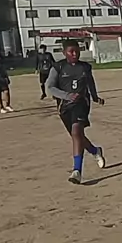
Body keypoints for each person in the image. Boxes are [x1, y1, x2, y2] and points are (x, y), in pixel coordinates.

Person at [45, 40, 106, 184]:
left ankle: (77, 171)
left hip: (81, 104)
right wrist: (66, 96)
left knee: (76, 132)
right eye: (71, 51)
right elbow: (50, 87)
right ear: (64, 53)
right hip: (65, 106)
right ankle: (94, 150)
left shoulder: (85, 67)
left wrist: (95, 97)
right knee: (77, 137)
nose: (75, 54)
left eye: (77, 51)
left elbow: (90, 83)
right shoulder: (58, 67)